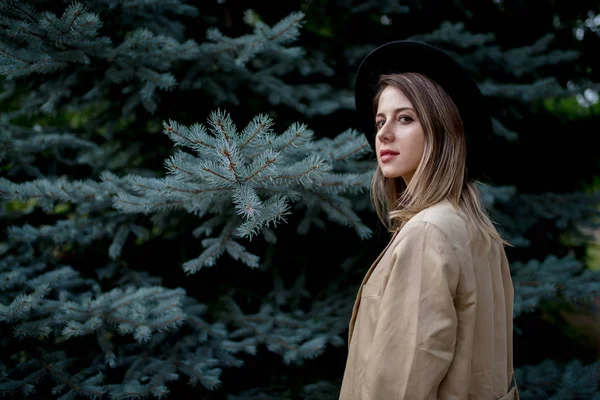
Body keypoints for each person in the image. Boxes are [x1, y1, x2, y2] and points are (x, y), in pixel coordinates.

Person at [339, 41, 519, 400]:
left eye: (404, 118)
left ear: (440, 128)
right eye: (380, 120)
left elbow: (401, 387)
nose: (383, 133)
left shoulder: (427, 232)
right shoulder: (474, 229)